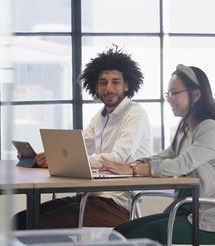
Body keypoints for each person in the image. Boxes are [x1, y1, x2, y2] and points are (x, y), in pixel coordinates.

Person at [13, 46, 153, 229]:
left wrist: (57, 161)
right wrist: (45, 157)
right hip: (91, 196)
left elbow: (117, 159)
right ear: (95, 87)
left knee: (34, 225)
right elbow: (77, 148)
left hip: (117, 204)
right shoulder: (100, 116)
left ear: (126, 85)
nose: (109, 88)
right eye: (103, 83)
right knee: (20, 221)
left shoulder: (135, 114)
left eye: (115, 82)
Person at [99, 64, 215, 245]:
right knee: (119, 232)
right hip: (183, 212)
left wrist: (133, 171)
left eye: (174, 93)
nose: (169, 99)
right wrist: (133, 165)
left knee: (129, 238)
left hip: (206, 224)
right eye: (168, 94)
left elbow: (181, 164)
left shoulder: (211, 129)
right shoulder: (185, 128)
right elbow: (165, 156)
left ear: (196, 94)